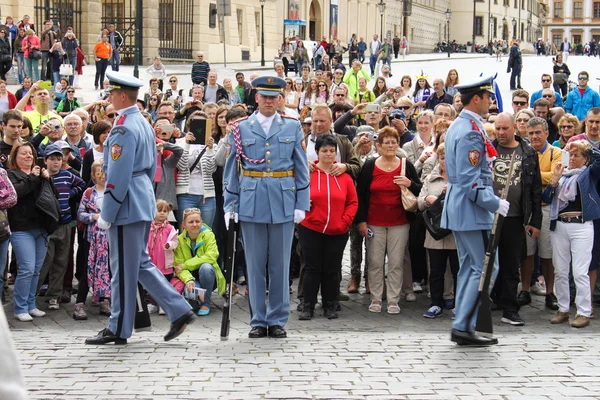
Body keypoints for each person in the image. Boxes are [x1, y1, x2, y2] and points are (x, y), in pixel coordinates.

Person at [85, 71, 196, 345]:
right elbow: (148, 170)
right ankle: (179, 310)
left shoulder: (123, 127)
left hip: (125, 204)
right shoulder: (143, 123)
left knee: (122, 267)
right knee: (139, 264)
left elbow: (118, 176)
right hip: (140, 198)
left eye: (112, 93)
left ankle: (119, 327)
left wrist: (108, 212)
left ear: (122, 96)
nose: (109, 97)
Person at [223, 76, 309, 339]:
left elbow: (301, 168)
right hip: (251, 199)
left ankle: (277, 319)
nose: (269, 101)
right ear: (256, 98)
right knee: (255, 264)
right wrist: (230, 204)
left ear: (280, 99)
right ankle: (258, 319)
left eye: (274, 96)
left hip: (283, 198)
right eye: (265, 96)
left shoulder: (292, 127)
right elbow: (232, 171)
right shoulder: (240, 129)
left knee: (280, 264)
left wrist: (301, 203)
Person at [442, 75, 507, 346]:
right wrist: (494, 203)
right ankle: (463, 325)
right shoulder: (469, 130)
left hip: (462, 208)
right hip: (471, 209)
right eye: (488, 97)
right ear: (476, 99)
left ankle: (463, 324)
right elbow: (471, 181)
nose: (491, 101)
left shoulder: (464, 125)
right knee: (485, 268)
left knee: (471, 267)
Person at [356, 126, 422, 315]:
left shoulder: (405, 164)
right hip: (374, 222)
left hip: (399, 222)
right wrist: (361, 221)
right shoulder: (370, 165)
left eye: (394, 142)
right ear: (379, 146)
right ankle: (376, 297)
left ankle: (393, 299)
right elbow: (361, 194)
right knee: (375, 261)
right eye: (387, 142)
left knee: (396, 262)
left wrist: (409, 183)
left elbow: (419, 189)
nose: (391, 145)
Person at [298, 134, 358, 320]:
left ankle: (330, 303)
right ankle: (308, 304)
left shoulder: (344, 176)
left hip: (337, 230)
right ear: (317, 152)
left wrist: (345, 221)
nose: (328, 154)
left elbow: (353, 202)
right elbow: (298, 196)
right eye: (324, 151)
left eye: (332, 151)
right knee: (311, 267)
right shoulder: (308, 173)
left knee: (332, 268)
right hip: (311, 228)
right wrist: (306, 214)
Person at [490, 113, 542, 326]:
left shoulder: (527, 152)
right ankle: (491, 299)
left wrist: (535, 220)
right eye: (498, 129)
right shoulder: (488, 150)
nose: (501, 133)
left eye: (505, 128)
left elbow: (536, 189)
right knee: (488, 261)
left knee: (512, 263)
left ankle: (510, 308)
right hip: (488, 215)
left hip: (515, 216)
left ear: (514, 128)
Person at [543, 140, 600, 328]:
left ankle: (583, 311)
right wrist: (553, 181)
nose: (573, 158)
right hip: (560, 224)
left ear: (585, 159)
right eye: (571, 155)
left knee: (580, 270)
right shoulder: (562, 175)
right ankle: (563, 309)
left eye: (577, 155)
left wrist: (585, 146)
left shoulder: (588, 174)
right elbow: (545, 199)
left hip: (581, 224)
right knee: (560, 269)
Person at [8, 142, 52, 322]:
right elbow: (17, 193)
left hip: (41, 228)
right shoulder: (11, 175)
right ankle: (20, 308)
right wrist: (33, 177)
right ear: (15, 157)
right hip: (21, 228)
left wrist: (48, 179)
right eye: (24, 154)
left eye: (30, 154)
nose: (28, 156)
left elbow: (51, 197)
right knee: (26, 269)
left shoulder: (40, 174)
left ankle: (31, 304)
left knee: (36, 270)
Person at [418, 143, 458, 318]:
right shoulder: (430, 178)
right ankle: (436, 303)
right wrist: (428, 198)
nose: (446, 161)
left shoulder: (461, 178)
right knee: (435, 271)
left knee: (458, 271)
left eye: (449, 157)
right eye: (442, 158)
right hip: (435, 233)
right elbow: (418, 202)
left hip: (456, 233)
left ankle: (459, 303)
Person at [74, 159, 111, 320]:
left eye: (105, 173)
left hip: (109, 238)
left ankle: (105, 300)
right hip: (91, 238)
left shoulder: (113, 192)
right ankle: (80, 303)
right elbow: (81, 214)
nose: (103, 176)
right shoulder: (89, 193)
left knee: (107, 269)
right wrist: (94, 216)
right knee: (86, 270)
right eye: (99, 173)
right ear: (93, 176)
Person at [173, 207, 224, 316]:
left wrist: (186, 265)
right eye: (191, 222)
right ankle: (196, 300)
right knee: (191, 304)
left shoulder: (209, 235)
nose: (195, 224)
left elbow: (211, 256)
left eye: (197, 221)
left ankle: (206, 303)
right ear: (184, 224)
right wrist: (188, 280)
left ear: (202, 222)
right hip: (191, 277)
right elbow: (178, 267)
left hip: (209, 276)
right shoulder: (179, 240)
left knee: (206, 267)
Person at [146, 199, 178, 315]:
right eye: (159, 210)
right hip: (152, 260)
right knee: (152, 282)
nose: (162, 213)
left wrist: (170, 244)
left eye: (165, 211)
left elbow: (175, 241)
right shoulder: (148, 227)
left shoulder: (169, 228)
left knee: (164, 283)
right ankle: (153, 303)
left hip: (164, 261)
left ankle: (163, 304)